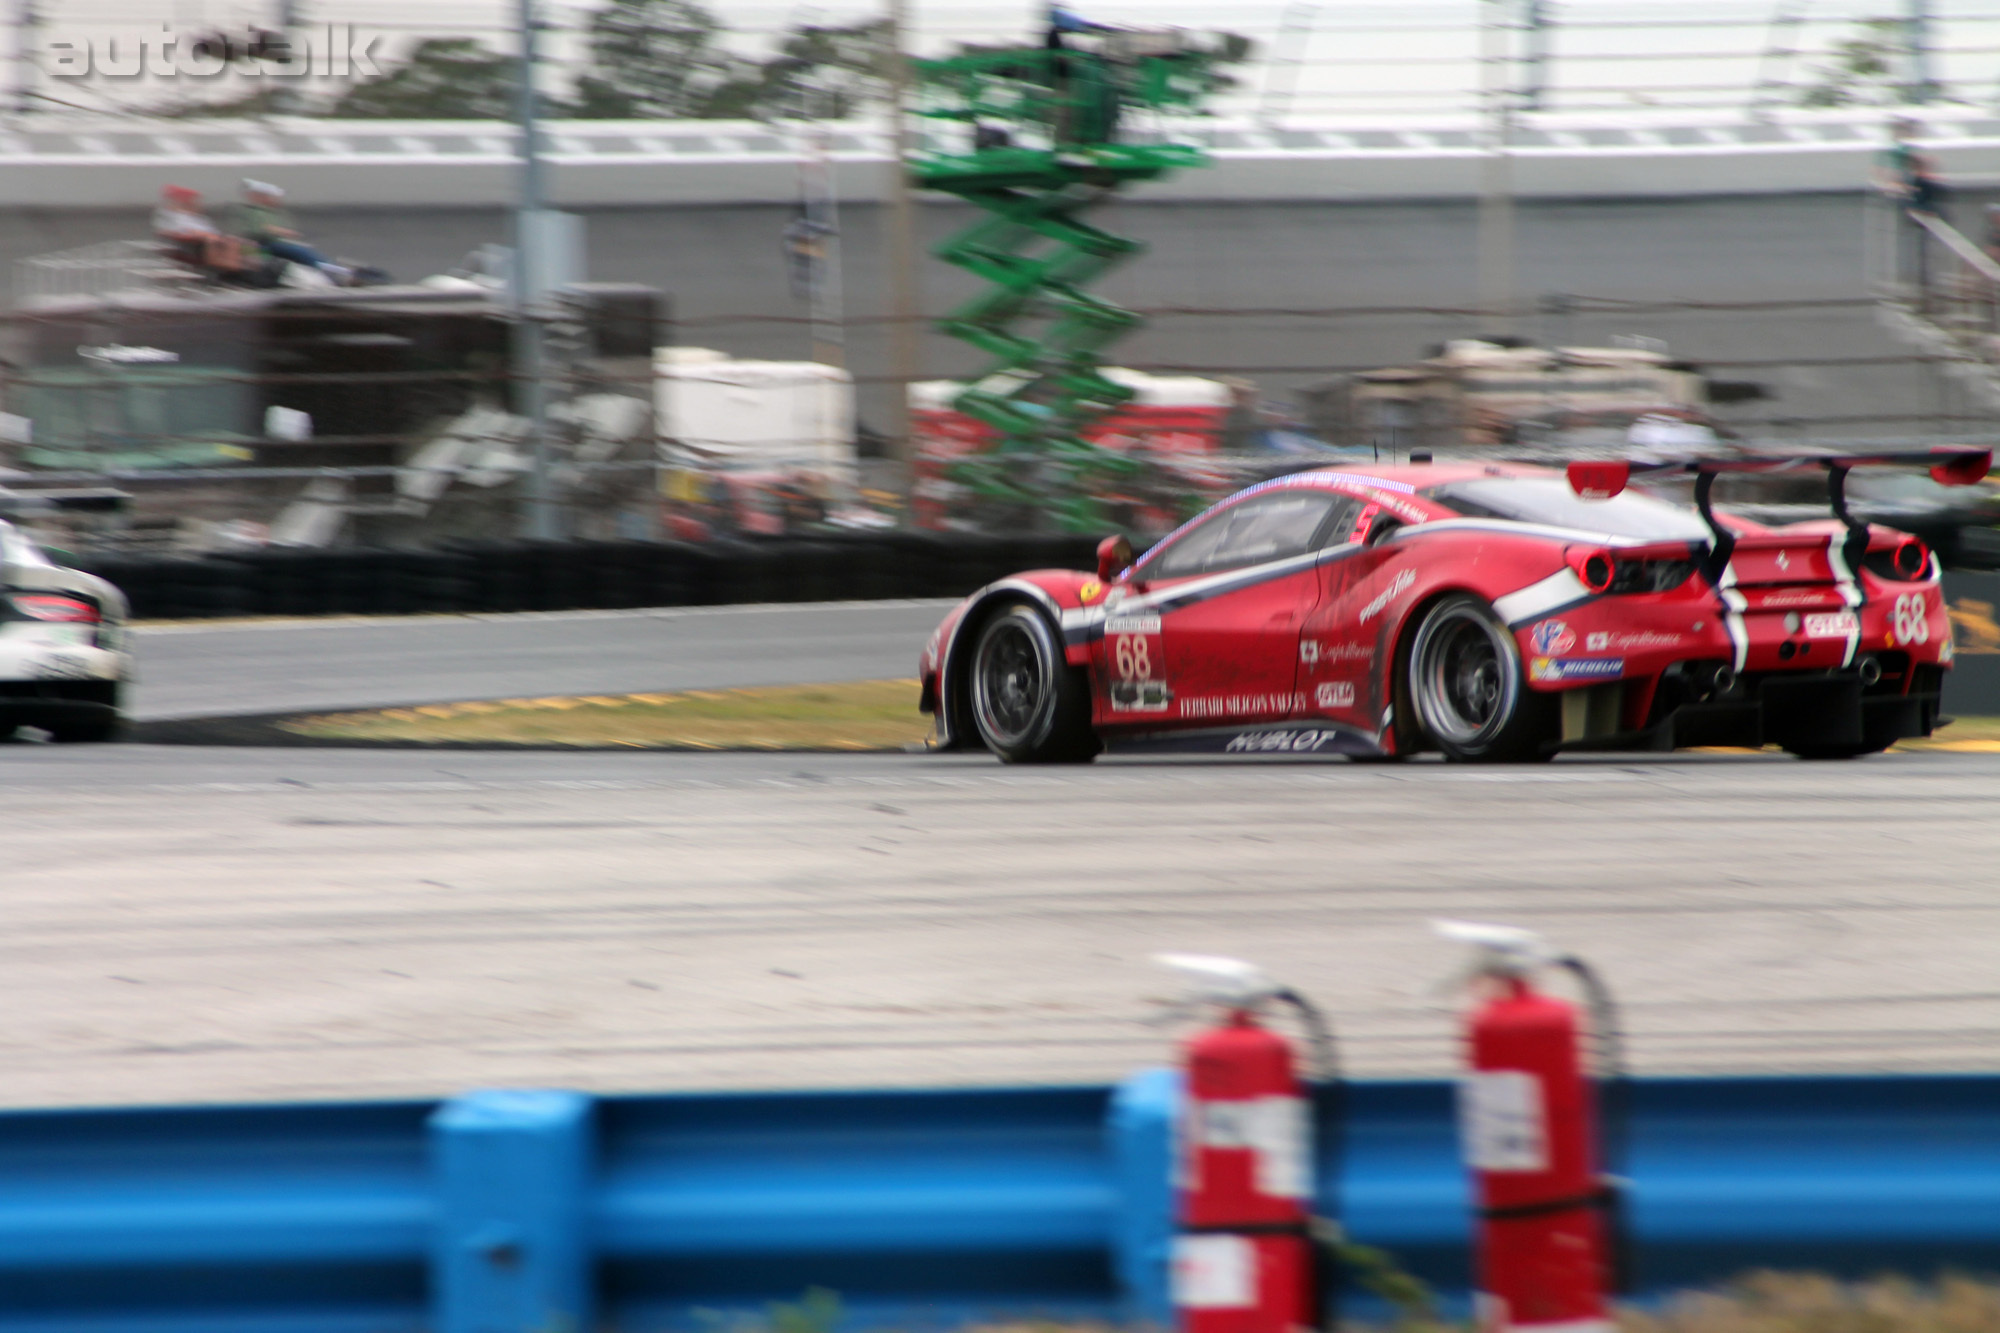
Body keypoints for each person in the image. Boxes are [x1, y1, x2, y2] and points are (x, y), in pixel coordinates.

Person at [224, 179, 352, 284]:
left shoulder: (273, 213)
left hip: (273, 243)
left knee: (303, 252)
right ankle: (337, 273)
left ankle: (334, 272)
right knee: (301, 252)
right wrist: (273, 231)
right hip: (259, 245)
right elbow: (248, 231)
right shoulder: (248, 212)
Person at [151, 186, 246, 276]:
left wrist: (215, 236)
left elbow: (210, 230)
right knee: (213, 241)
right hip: (192, 243)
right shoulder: (171, 216)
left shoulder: (198, 218)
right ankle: (222, 266)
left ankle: (234, 266)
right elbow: (179, 230)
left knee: (233, 241)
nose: (196, 205)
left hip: (204, 238)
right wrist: (206, 235)